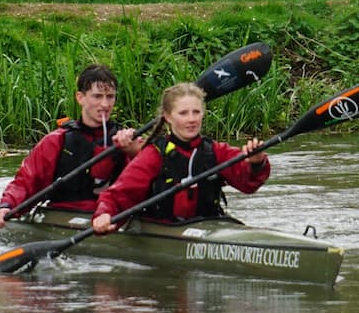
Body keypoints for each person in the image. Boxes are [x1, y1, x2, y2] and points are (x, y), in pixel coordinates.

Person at [91, 82, 269, 234]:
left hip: (210, 227)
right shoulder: (153, 155)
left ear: (203, 113)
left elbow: (248, 184)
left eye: (196, 112)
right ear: (168, 117)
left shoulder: (215, 151)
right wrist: (104, 214)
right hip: (166, 232)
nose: (192, 119)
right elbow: (119, 194)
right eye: (183, 113)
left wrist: (256, 162)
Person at [0, 64, 143, 230]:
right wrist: (7, 206)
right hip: (63, 214)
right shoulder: (56, 141)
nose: (105, 104)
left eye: (110, 97)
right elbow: (26, 182)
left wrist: (135, 153)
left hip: (111, 217)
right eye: (97, 96)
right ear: (80, 98)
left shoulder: (128, 140)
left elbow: (147, 178)